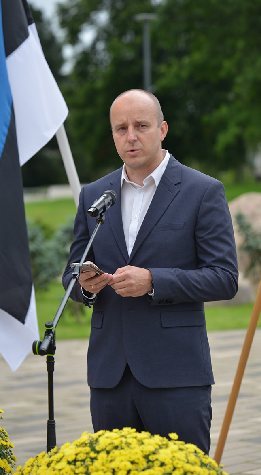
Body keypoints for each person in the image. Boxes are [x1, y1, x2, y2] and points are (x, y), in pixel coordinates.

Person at [62, 89, 238, 454]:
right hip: (109, 377)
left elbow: (224, 277)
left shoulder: (202, 191)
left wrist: (154, 281)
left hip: (176, 374)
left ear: (162, 129)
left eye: (141, 126)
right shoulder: (93, 195)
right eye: (121, 128)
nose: (131, 136)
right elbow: (71, 277)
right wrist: (86, 285)